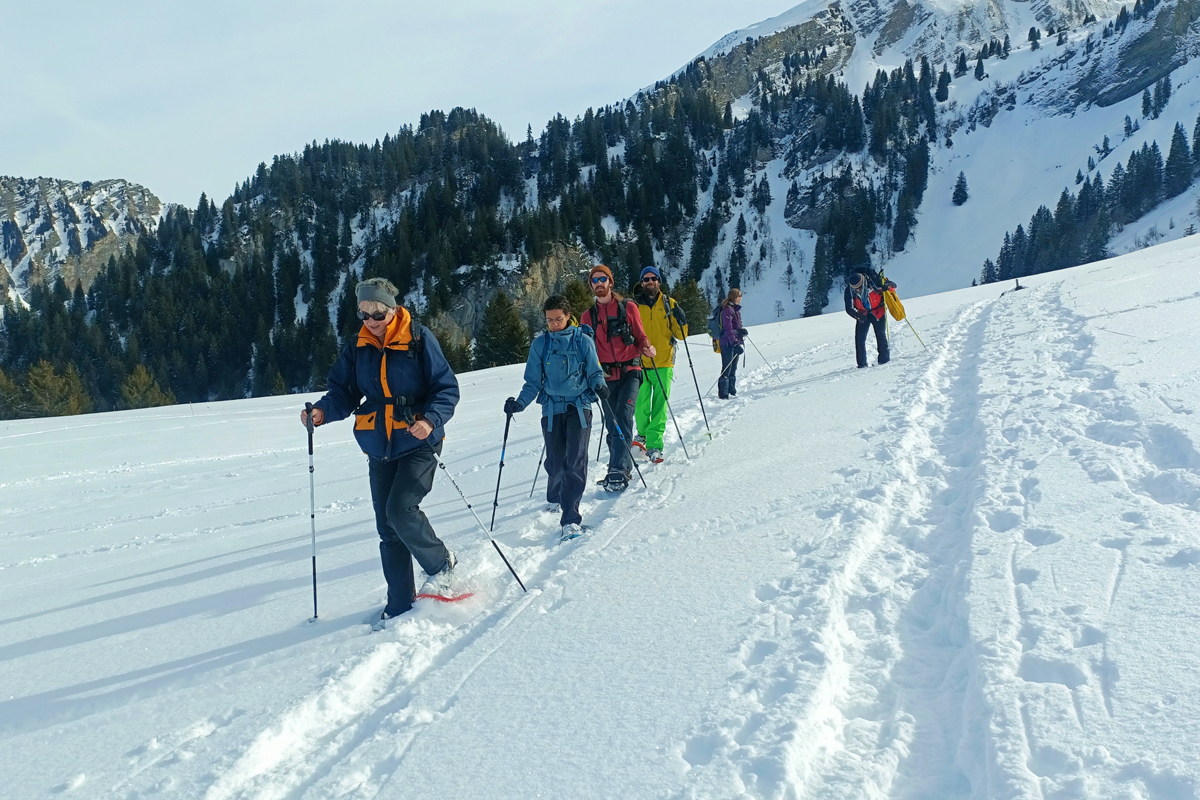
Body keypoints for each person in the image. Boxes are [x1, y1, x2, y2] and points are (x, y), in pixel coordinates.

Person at [301, 277, 461, 625]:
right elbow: (343, 392)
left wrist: (430, 420)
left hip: (418, 440)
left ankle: (441, 564)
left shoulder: (418, 338)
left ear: (393, 309)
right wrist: (322, 412)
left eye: (378, 314)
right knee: (387, 528)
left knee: (400, 510)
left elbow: (446, 388)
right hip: (378, 443)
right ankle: (399, 603)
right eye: (364, 314)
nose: (371, 321)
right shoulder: (357, 346)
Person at [504, 296, 607, 541]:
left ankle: (570, 520)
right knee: (555, 461)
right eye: (549, 320)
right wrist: (519, 403)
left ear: (568, 316)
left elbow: (594, 371)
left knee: (575, 462)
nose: (553, 324)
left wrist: (599, 385)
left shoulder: (583, 341)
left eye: (558, 319)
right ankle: (555, 496)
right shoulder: (540, 345)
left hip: (579, 407)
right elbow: (532, 382)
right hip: (551, 409)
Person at [580, 265, 655, 492]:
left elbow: (640, 335)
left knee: (623, 415)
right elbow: (585, 350)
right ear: (591, 285)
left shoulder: (628, 307)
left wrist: (646, 347)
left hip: (631, 370)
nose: (599, 283)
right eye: (594, 280)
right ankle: (622, 464)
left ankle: (617, 469)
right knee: (612, 423)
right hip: (604, 376)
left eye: (602, 279)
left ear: (610, 282)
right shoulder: (587, 316)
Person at [632, 266, 687, 464]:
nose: (650, 282)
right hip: (639, 362)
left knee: (660, 406)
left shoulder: (669, 303)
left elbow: (681, 335)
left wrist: (682, 320)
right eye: (646, 279)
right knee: (640, 404)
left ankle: (654, 444)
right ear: (641, 282)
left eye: (653, 278)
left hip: (663, 362)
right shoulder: (633, 306)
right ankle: (642, 434)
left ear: (659, 281)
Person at [844, 269, 890, 368]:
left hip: (878, 312)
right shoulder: (849, 290)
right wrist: (857, 315)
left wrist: (887, 287)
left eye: (859, 287)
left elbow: (893, 285)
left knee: (881, 335)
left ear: (863, 282)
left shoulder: (874, 280)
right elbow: (848, 308)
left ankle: (884, 361)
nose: (857, 290)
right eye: (855, 289)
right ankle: (862, 364)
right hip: (862, 314)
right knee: (859, 339)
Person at [717, 288, 747, 399]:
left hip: (733, 342)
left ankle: (731, 390)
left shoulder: (734, 309)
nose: (741, 298)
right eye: (740, 296)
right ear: (735, 297)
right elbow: (728, 329)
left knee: (733, 368)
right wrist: (734, 342)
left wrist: (741, 331)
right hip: (727, 343)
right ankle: (723, 394)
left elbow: (734, 327)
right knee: (727, 368)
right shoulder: (728, 310)